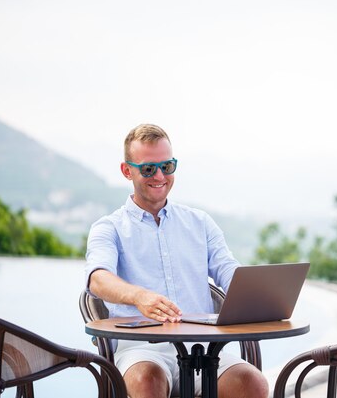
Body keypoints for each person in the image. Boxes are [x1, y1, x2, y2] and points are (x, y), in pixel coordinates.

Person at [85, 124, 268, 398]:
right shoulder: (108, 227)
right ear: (127, 171)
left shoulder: (200, 223)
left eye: (167, 166)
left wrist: (258, 295)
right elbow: (97, 278)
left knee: (252, 383)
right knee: (147, 380)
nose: (160, 176)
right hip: (141, 351)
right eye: (148, 169)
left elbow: (227, 269)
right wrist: (139, 296)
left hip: (206, 351)